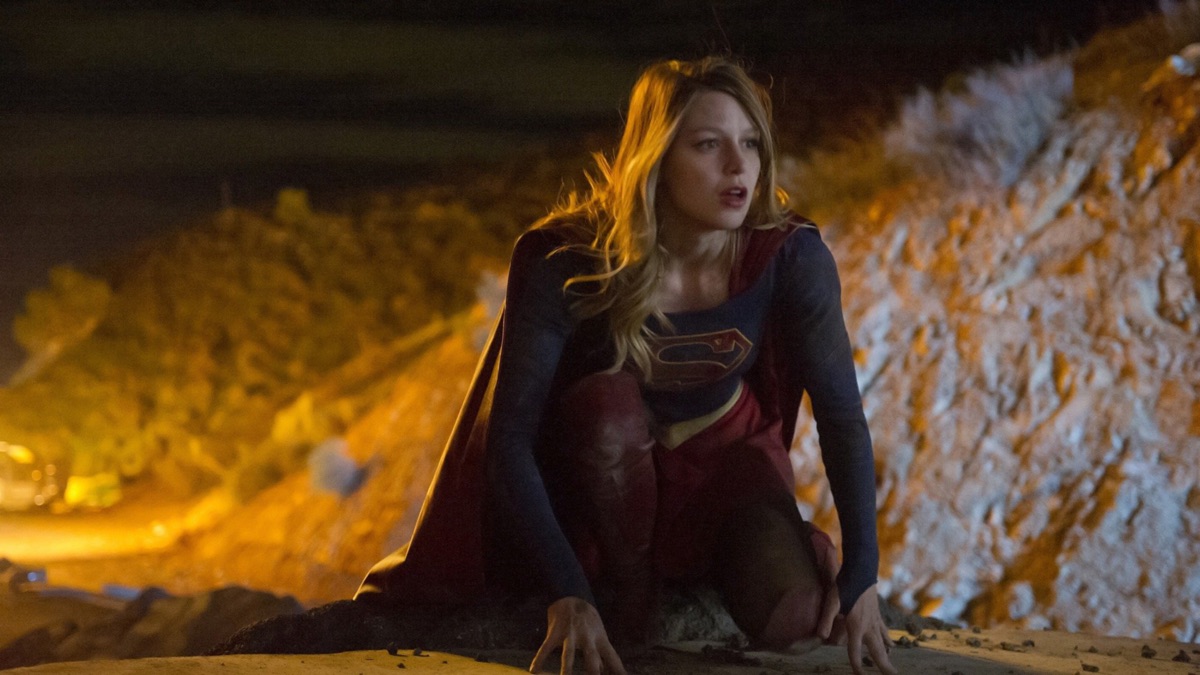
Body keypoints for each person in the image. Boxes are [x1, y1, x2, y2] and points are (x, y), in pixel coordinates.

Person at [355, 56, 897, 675]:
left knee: (797, 619)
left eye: (750, 143)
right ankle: (627, 589)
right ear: (656, 157)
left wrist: (862, 577)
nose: (738, 166)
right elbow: (511, 439)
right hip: (598, 485)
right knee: (607, 409)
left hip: (724, 461)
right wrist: (567, 593)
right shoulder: (568, 261)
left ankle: (763, 553)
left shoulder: (790, 256)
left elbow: (840, 414)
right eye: (708, 145)